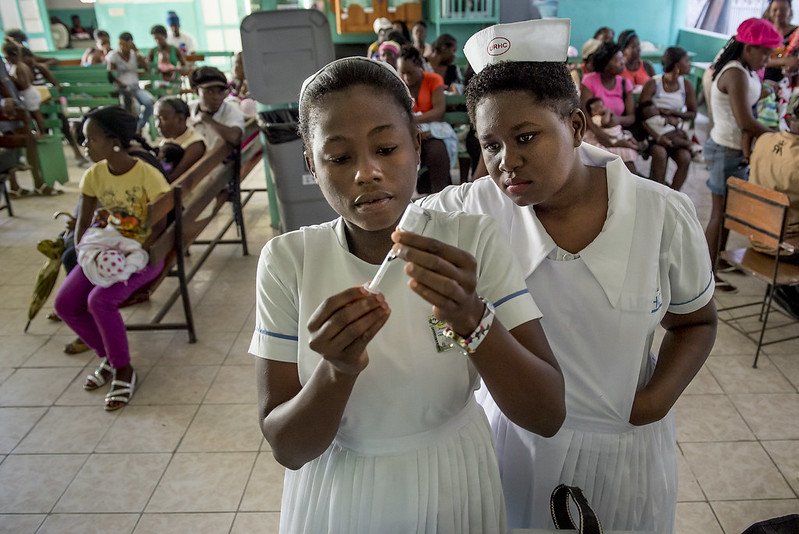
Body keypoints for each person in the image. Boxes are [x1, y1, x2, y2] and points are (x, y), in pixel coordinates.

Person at [420, 18, 718, 533]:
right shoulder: (470, 213)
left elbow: (696, 323)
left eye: (527, 136)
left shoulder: (659, 214)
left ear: (577, 127)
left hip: (624, 446)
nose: (507, 161)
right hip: (515, 442)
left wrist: (651, 402)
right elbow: (389, 227)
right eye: (489, 145)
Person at [251, 55, 565, 534]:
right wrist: (337, 371)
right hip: (341, 489)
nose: (367, 172)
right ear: (311, 164)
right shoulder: (289, 260)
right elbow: (289, 448)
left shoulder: (470, 241)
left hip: (453, 477)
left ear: (417, 147)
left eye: (386, 147)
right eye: (339, 158)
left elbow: (546, 413)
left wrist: (473, 322)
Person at [53, 107, 171, 411]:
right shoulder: (95, 175)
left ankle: (123, 369)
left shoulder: (147, 174)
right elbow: (84, 215)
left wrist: (134, 251)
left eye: (90, 139)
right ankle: (107, 355)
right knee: (65, 304)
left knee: (99, 301)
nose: (85, 146)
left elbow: (160, 222)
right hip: (104, 251)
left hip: (142, 256)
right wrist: (83, 250)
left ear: (114, 141)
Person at [704, 18, 781, 293]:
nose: (768, 58)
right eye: (764, 52)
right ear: (748, 48)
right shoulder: (735, 73)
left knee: (728, 213)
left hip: (733, 149)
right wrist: (778, 135)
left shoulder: (746, 70)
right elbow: (745, 122)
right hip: (725, 150)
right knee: (719, 214)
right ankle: (706, 274)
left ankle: (718, 262)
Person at [397, 46, 455, 194]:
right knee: (400, 156)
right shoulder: (397, 85)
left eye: (410, 72)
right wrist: (413, 130)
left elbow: (438, 111)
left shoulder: (433, 80)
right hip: (405, 134)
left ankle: (440, 195)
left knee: (437, 152)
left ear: (419, 66)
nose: (406, 77)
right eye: (402, 73)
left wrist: (414, 124)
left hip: (429, 132)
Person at [640, 47, 698, 190]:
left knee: (685, 158)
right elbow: (641, 115)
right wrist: (658, 134)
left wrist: (673, 113)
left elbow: (692, 113)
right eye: (686, 60)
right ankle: (657, 193)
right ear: (677, 65)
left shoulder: (686, 85)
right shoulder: (654, 83)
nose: (689, 64)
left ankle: (673, 196)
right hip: (653, 132)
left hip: (673, 130)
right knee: (660, 153)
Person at [19, 48, 88, 166]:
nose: (28, 61)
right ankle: (42, 160)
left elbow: (57, 85)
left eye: (29, 57)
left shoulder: (40, 68)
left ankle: (77, 154)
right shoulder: (20, 73)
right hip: (31, 110)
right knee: (38, 128)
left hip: (47, 104)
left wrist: (50, 93)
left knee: (62, 121)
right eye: (24, 59)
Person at [580, 41, 639, 172]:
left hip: (615, 132)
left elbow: (631, 117)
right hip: (594, 133)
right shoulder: (589, 80)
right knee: (600, 169)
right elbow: (584, 112)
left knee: (629, 169)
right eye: (618, 60)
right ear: (605, 64)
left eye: (622, 58)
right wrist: (600, 134)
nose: (623, 62)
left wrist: (617, 120)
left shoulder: (625, 83)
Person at [106, 32, 154, 134]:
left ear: (131, 44)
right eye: (120, 44)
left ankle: (138, 127)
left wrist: (136, 51)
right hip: (121, 89)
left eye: (125, 44)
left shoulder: (135, 55)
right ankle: (128, 129)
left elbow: (146, 68)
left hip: (135, 88)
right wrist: (123, 85)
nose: (122, 47)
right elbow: (111, 75)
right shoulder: (113, 56)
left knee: (149, 103)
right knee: (129, 104)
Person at [187, 66, 244, 149]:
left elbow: (235, 137)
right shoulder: (188, 110)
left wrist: (207, 120)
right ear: (196, 91)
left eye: (220, 91)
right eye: (210, 92)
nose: (216, 97)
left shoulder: (230, 110)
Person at [154, 96, 205, 182]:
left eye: (163, 119)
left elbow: (174, 178)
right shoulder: (170, 139)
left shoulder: (195, 145)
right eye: (156, 118)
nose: (157, 125)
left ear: (180, 119)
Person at [2, 41, 44, 133]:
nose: (6, 59)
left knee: (36, 115)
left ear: (13, 56)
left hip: (28, 93)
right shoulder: (19, 66)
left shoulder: (19, 67)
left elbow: (23, 84)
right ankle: (35, 131)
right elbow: (31, 78)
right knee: (31, 115)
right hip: (29, 92)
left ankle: (42, 132)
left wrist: (12, 78)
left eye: (7, 57)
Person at [763, 0, 798, 84]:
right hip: (763, 81)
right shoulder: (764, 31)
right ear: (769, 11)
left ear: (789, 11)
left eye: (783, 10)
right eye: (775, 10)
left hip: (790, 84)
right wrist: (783, 61)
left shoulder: (796, 33)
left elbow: (795, 61)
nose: (778, 13)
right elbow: (756, 59)